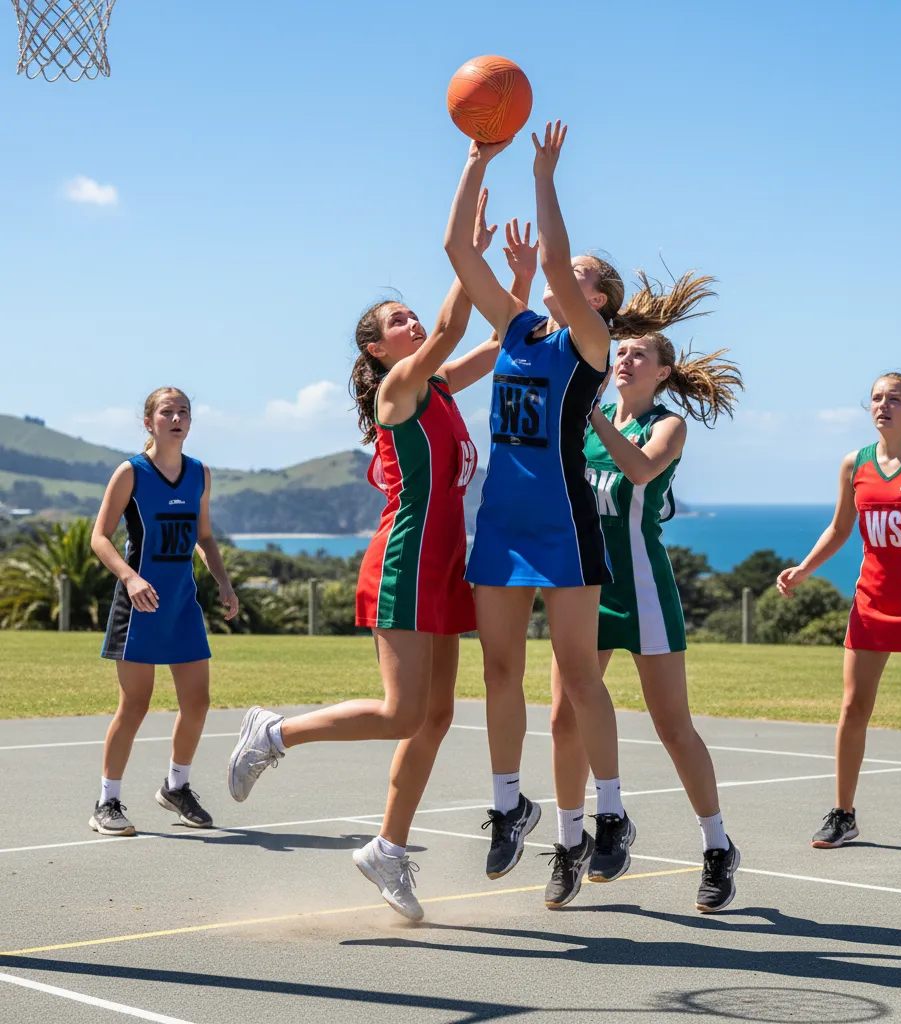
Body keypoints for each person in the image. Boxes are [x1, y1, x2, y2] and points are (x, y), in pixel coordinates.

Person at [227, 192, 537, 921]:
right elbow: (460, 320)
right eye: (397, 321)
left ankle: (387, 851)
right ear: (378, 349)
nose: (413, 322)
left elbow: (498, 343)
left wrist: (513, 283)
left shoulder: (440, 389)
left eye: (410, 314)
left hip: (445, 568)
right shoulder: (402, 389)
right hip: (402, 562)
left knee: (434, 718)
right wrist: (471, 251)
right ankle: (274, 732)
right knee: (402, 713)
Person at [445, 121, 720, 885]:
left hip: (563, 524)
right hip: (501, 520)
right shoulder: (519, 329)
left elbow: (560, 269)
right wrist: (475, 160)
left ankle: (609, 811)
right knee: (500, 670)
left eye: (585, 275)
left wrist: (545, 176)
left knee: (578, 677)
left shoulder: (589, 346)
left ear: (598, 299)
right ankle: (509, 806)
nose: (570, 276)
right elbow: (458, 255)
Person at [545, 331, 746, 911]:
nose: (626, 360)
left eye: (640, 355)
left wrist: (591, 419)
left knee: (673, 727)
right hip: (585, 587)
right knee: (562, 718)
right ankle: (570, 841)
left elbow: (637, 471)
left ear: (661, 373)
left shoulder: (667, 425)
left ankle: (716, 846)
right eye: (621, 353)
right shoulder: (591, 419)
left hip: (643, 591)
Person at [776, 372, 901, 854]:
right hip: (870, 601)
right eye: (876, 398)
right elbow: (839, 528)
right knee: (853, 708)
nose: (883, 405)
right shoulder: (856, 463)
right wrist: (804, 569)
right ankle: (843, 814)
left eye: (895, 398)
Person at [90, 387, 238, 837]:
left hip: (181, 605)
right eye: (167, 412)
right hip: (139, 607)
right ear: (149, 421)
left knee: (198, 703)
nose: (176, 418)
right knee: (134, 705)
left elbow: (205, 537)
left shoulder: (199, 474)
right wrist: (130, 578)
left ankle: (177, 787)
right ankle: (106, 802)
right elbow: (100, 537)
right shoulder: (130, 472)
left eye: (184, 412)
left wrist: (223, 581)